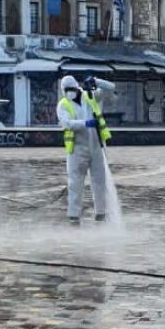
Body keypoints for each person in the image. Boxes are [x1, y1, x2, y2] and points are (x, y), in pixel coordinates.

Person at [56, 73, 115, 225]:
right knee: (75, 183)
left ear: (77, 86)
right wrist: (85, 123)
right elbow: (67, 123)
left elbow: (111, 88)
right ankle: (74, 216)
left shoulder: (90, 96)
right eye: (67, 89)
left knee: (99, 181)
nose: (70, 91)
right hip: (77, 149)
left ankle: (101, 213)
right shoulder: (63, 105)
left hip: (96, 146)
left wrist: (96, 81)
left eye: (72, 88)